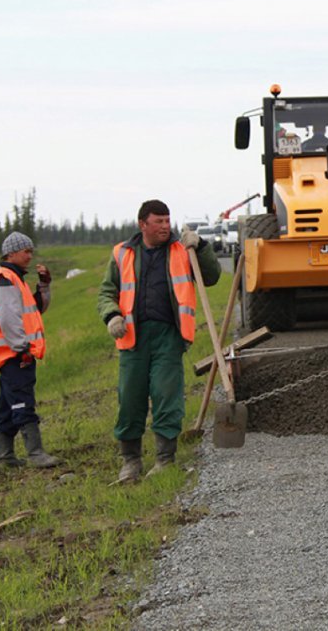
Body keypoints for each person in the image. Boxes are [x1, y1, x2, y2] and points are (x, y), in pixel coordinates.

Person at [98, 199, 221, 483]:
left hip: (169, 336)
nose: (166, 226)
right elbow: (107, 292)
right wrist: (112, 316)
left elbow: (212, 277)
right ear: (143, 224)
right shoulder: (122, 253)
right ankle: (131, 461)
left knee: (167, 395)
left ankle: (165, 459)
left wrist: (201, 247)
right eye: (159, 222)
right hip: (133, 338)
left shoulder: (183, 250)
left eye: (168, 221)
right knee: (130, 398)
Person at [0, 231, 62, 469]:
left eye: (30, 251)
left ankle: (4, 456)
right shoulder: (6, 279)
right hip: (15, 355)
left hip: (13, 354)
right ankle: (35, 454)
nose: (30, 255)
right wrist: (22, 349)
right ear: (12, 252)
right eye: (26, 251)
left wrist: (45, 285)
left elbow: (36, 309)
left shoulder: (15, 278)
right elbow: (8, 318)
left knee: (7, 405)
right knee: (22, 402)